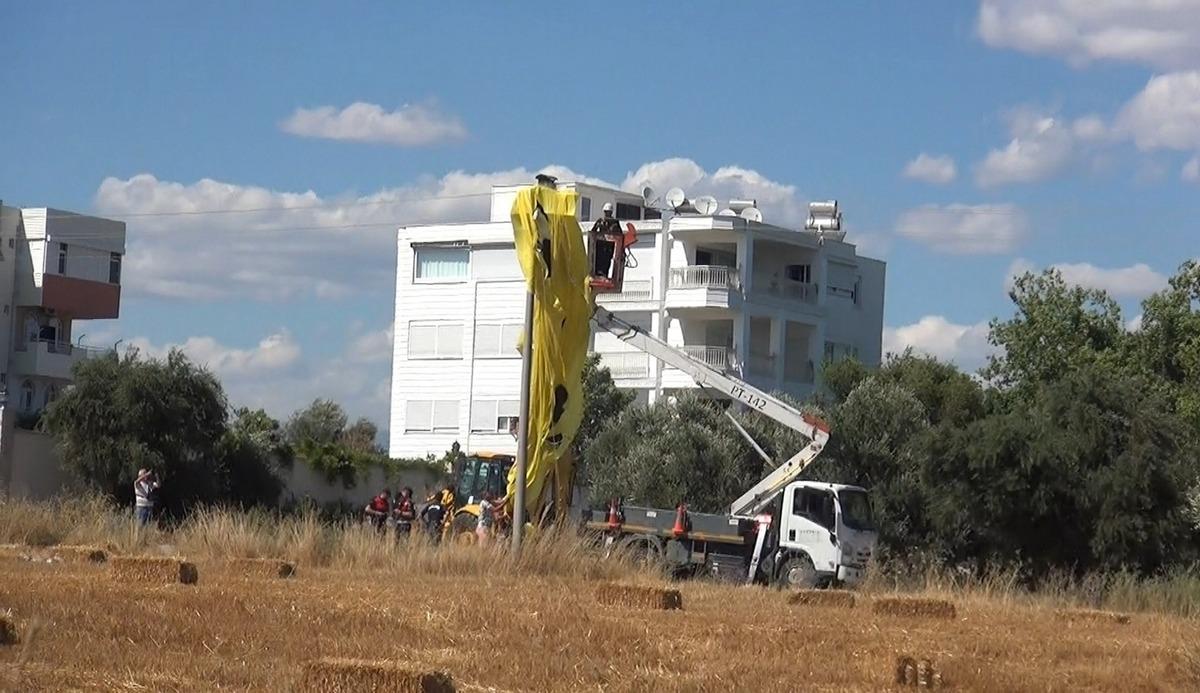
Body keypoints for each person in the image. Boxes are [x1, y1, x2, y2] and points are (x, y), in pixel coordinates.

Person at [589, 202, 621, 278]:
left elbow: (619, 235)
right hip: (600, 246)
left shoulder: (615, 223)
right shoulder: (600, 221)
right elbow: (593, 232)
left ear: (611, 212)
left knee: (606, 262)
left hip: (609, 247)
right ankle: (597, 274)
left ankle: (604, 275)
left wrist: (613, 229)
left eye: (608, 212)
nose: (607, 214)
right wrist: (598, 227)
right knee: (598, 261)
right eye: (606, 212)